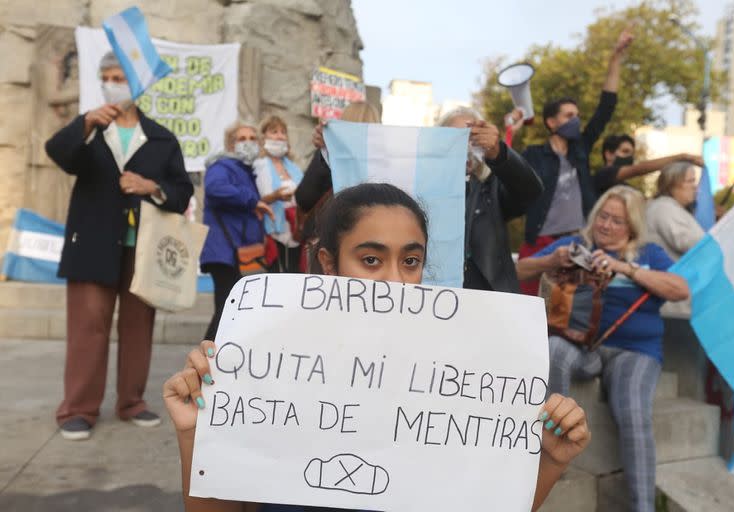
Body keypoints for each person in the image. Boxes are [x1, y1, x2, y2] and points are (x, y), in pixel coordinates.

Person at [164, 183, 592, 512]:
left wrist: (549, 463)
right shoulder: (266, 367)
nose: (394, 281)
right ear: (329, 264)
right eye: (371, 260)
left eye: (410, 261)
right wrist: (195, 435)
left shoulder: (460, 376)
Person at [45, 52, 194, 440]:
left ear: (137, 85)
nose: (114, 83)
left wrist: (152, 188)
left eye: (121, 77)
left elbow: (181, 191)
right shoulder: (90, 130)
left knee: (137, 328)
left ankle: (132, 402)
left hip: (143, 249)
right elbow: (58, 153)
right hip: (92, 243)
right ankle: (77, 409)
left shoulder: (162, 137)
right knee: (87, 327)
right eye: (108, 76)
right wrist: (85, 122)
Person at [516, 185, 689, 512]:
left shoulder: (649, 254)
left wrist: (625, 268)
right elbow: (518, 269)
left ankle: (643, 507)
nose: (607, 225)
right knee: (554, 347)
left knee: (634, 410)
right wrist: (552, 259)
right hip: (585, 348)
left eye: (618, 221)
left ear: (633, 227)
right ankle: (552, 452)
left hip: (634, 351)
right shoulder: (576, 245)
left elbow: (680, 289)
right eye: (603, 217)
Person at [518, 28, 634, 295]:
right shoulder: (534, 155)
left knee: (569, 309)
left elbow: (606, 108)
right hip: (541, 243)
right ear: (551, 122)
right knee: (531, 304)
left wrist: (616, 58)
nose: (576, 120)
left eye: (578, 115)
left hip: (577, 243)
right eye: (569, 115)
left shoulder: (580, 149)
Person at [437, 107, 543, 292]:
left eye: (472, 138)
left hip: (489, 300)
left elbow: (531, 191)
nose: (464, 146)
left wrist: (499, 153)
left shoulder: (492, 186)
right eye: (455, 138)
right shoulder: (426, 189)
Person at [200, 120, 273, 341]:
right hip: (224, 251)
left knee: (230, 312)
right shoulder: (222, 166)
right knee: (226, 312)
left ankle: (212, 362)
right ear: (231, 144)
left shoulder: (244, 170)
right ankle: (204, 364)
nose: (248, 143)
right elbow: (215, 188)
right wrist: (252, 200)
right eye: (242, 139)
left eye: (252, 138)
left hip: (233, 252)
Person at [646, 162, 707, 399]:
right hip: (672, 306)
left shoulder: (675, 209)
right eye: (690, 182)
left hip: (681, 303)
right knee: (682, 380)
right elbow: (691, 243)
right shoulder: (664, 208)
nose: (695, 188)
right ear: (673, 184)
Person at [254, 115, 304, 273]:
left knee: (296, 272)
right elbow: (254, 200)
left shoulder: (294, 167)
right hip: (273, 229)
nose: (280, 135)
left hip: (296, 227)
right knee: (278, 275)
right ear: (263, 137)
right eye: (274, 131)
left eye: (283, 132)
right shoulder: (258, 165)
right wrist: (275, 196)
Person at [593, 134, 704, 197]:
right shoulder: (602, 176)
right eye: (625, 151)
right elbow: (638, 169)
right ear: (609, 154)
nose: (630, 158)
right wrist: (681, 157)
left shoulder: (626, 188)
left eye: (631, 154)